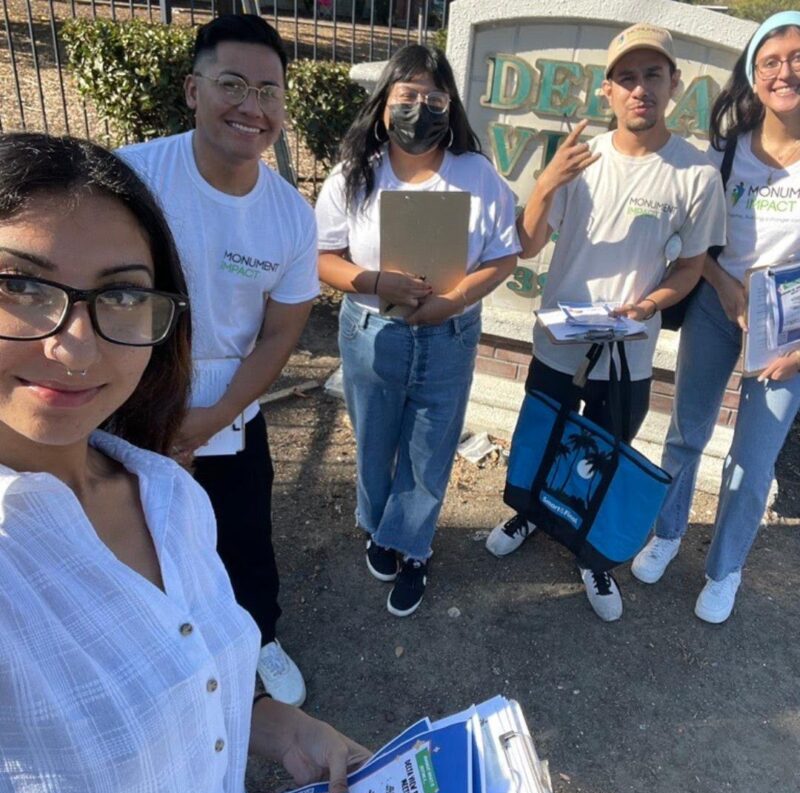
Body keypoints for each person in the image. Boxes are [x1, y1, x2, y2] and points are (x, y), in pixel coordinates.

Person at [0, 131, 369, 793]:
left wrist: (278, 728)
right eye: (21, 286)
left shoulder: (168, 494)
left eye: (119, 296)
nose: (76, 349)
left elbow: (183, 677)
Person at [485, 23, 727, 622]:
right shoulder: (579, 159)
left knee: (606, 451)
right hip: (561, 342)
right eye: (626, 78)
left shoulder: (694, 174)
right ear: (608, 92)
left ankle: (591, 556)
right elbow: (529, 240)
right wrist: (545, 182)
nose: (639, 88)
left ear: (673, 84)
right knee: (545, 436)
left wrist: (650, 305)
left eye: (652, 75)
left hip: (629, 351)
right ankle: (531, 515)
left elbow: (692, 263)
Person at [119, 14, 316, 705]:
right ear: (192, 90)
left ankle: (260, 639)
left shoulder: (291, 214)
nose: (250, 106)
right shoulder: (133, 176)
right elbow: (107, 300)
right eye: (232, 84)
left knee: (244, 540)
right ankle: (153, 652)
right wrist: (156, 418)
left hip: (232, 403)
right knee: (132, 538)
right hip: (129, 395)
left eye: (268, 91)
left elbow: (279, 334)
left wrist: (208, 420)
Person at [315, 44, 520, 617]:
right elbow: (322, 255)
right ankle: (381, 528)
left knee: (429, 455)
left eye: (435, 98)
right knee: (375, 443)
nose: (420, 109)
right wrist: (373, 280)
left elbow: (504, 256)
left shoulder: (475, 174)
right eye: (407, 96)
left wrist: (453, 299)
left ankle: (413, 548)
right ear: (383, 104)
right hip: (371, 330)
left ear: (450, 107)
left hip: (447, 338)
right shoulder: (356, 172)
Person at [632, 12, 800, 623]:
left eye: (798, 58)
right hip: (713, 303)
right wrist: (727, 291)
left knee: (752, 461)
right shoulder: (725, 154)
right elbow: (695, 243)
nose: (786, 71)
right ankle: (667, 532)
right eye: (772, 61)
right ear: (754, 77)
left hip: (790, 332)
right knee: (686, 433)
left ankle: (725, 568)